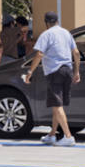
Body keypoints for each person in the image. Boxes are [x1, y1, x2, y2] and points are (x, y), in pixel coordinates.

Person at [22, 10, 81, 146]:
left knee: (56, 104)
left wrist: (30, 71)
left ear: (46, 23)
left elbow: (39, 54)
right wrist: (77, 72)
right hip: (67, 70)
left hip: (55, 72)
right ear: (57, 21)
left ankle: (68, 136)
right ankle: (52, 135)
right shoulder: (66, 33)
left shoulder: (46, 34)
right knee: (57, 105)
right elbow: (76, 53)